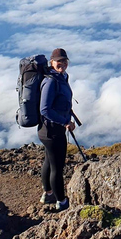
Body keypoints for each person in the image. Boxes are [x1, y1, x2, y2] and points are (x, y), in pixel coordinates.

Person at [38, 48, 76, 211]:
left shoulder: (61, 77)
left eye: (64, 60)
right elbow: (44, 109)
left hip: (49, 130)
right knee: (57, 167)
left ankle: (47, 194)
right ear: (51, 63)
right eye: (58, 61)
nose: (62, 64)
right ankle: (61, 202)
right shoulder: (51, 81)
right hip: (52, 131)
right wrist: (65, 121)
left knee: (49, 161)